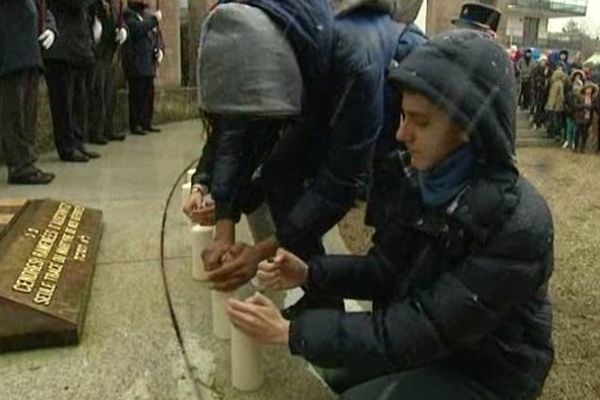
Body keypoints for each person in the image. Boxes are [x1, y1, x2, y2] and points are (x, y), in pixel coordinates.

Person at [227, 29, 554, 400]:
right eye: (402, 115)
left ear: (468, 127)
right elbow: (387, 270)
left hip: (488, 372)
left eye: (421, 121)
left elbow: (424, 327)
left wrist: (290, 332)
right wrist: (309, 272)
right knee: (335, 374)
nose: (401, 133)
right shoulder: (421, 184)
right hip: (434, 350)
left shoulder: (517, 224)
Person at [195, 0, 424, 300]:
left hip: (386, 89)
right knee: (279, 171)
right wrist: (224, 229)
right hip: (319, 81)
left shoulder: (356, 60)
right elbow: (238, 134)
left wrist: (261, 252)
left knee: (395, 223)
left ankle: (360, 309)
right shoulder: (256, 38)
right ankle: (317, 296)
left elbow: (339, 183)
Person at [0, 0, 57, 184]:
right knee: (14, 114)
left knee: (28, 114)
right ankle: (19, 166)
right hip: (10, 52)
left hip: (31, 53)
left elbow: (43, 9)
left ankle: (27, 162)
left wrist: (51, 27)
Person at [44, 0, 101, 162]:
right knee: (64, 103)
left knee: (78, 101)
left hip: (76, 50)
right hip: (61, 50)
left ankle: (77, 141)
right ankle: (67, 146)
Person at [86, 0, 129, 143]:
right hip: (97, 54)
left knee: (109, 94)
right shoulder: (93, 5)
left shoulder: (113, 6)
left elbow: (120, 22)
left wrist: (123, 30)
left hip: (110, 54)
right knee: (98, 94)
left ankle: (108, 128)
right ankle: (96, 131)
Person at [122, 0, 163, 136]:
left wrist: (159, 49)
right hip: (136, 63)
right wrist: (154, 19)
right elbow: (138, 29)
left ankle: (146, 121)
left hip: (148, 63)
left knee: (148, 95)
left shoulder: (147, 17)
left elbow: (157, 36)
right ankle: (136, 124)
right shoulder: (128, 16)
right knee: (136, 96)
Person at [574, 81, 598, 153]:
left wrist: (591, 107)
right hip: (580, 117)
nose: (589, 90)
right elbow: (575, 106)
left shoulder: (593, 99)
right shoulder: (580, 97)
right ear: (585, 89)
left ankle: (582, 148)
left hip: (588, 118)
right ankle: (576, 147)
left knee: (585, 134)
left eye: (590, 89)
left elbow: (595, 107)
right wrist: (583, 106)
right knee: (577, 133)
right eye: (588, 89)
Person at [563, 69, 584, 150]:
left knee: (575, 130)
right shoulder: (569, 94)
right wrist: (567, 109)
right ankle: (568, 141)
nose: (576, 88)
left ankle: (574, 143)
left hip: (578, 114)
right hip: (569, 113)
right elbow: (565, 103)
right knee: (569, 128)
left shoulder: (581, 96)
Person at [545, 63, 567, 140]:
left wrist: (555, 104)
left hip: (555, 106)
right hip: (553, 105)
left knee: (555, 120)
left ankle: (555, 133)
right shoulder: (557, 83)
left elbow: (559, 96)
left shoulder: (558, 84)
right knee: (553, 120)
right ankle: (552, 133)